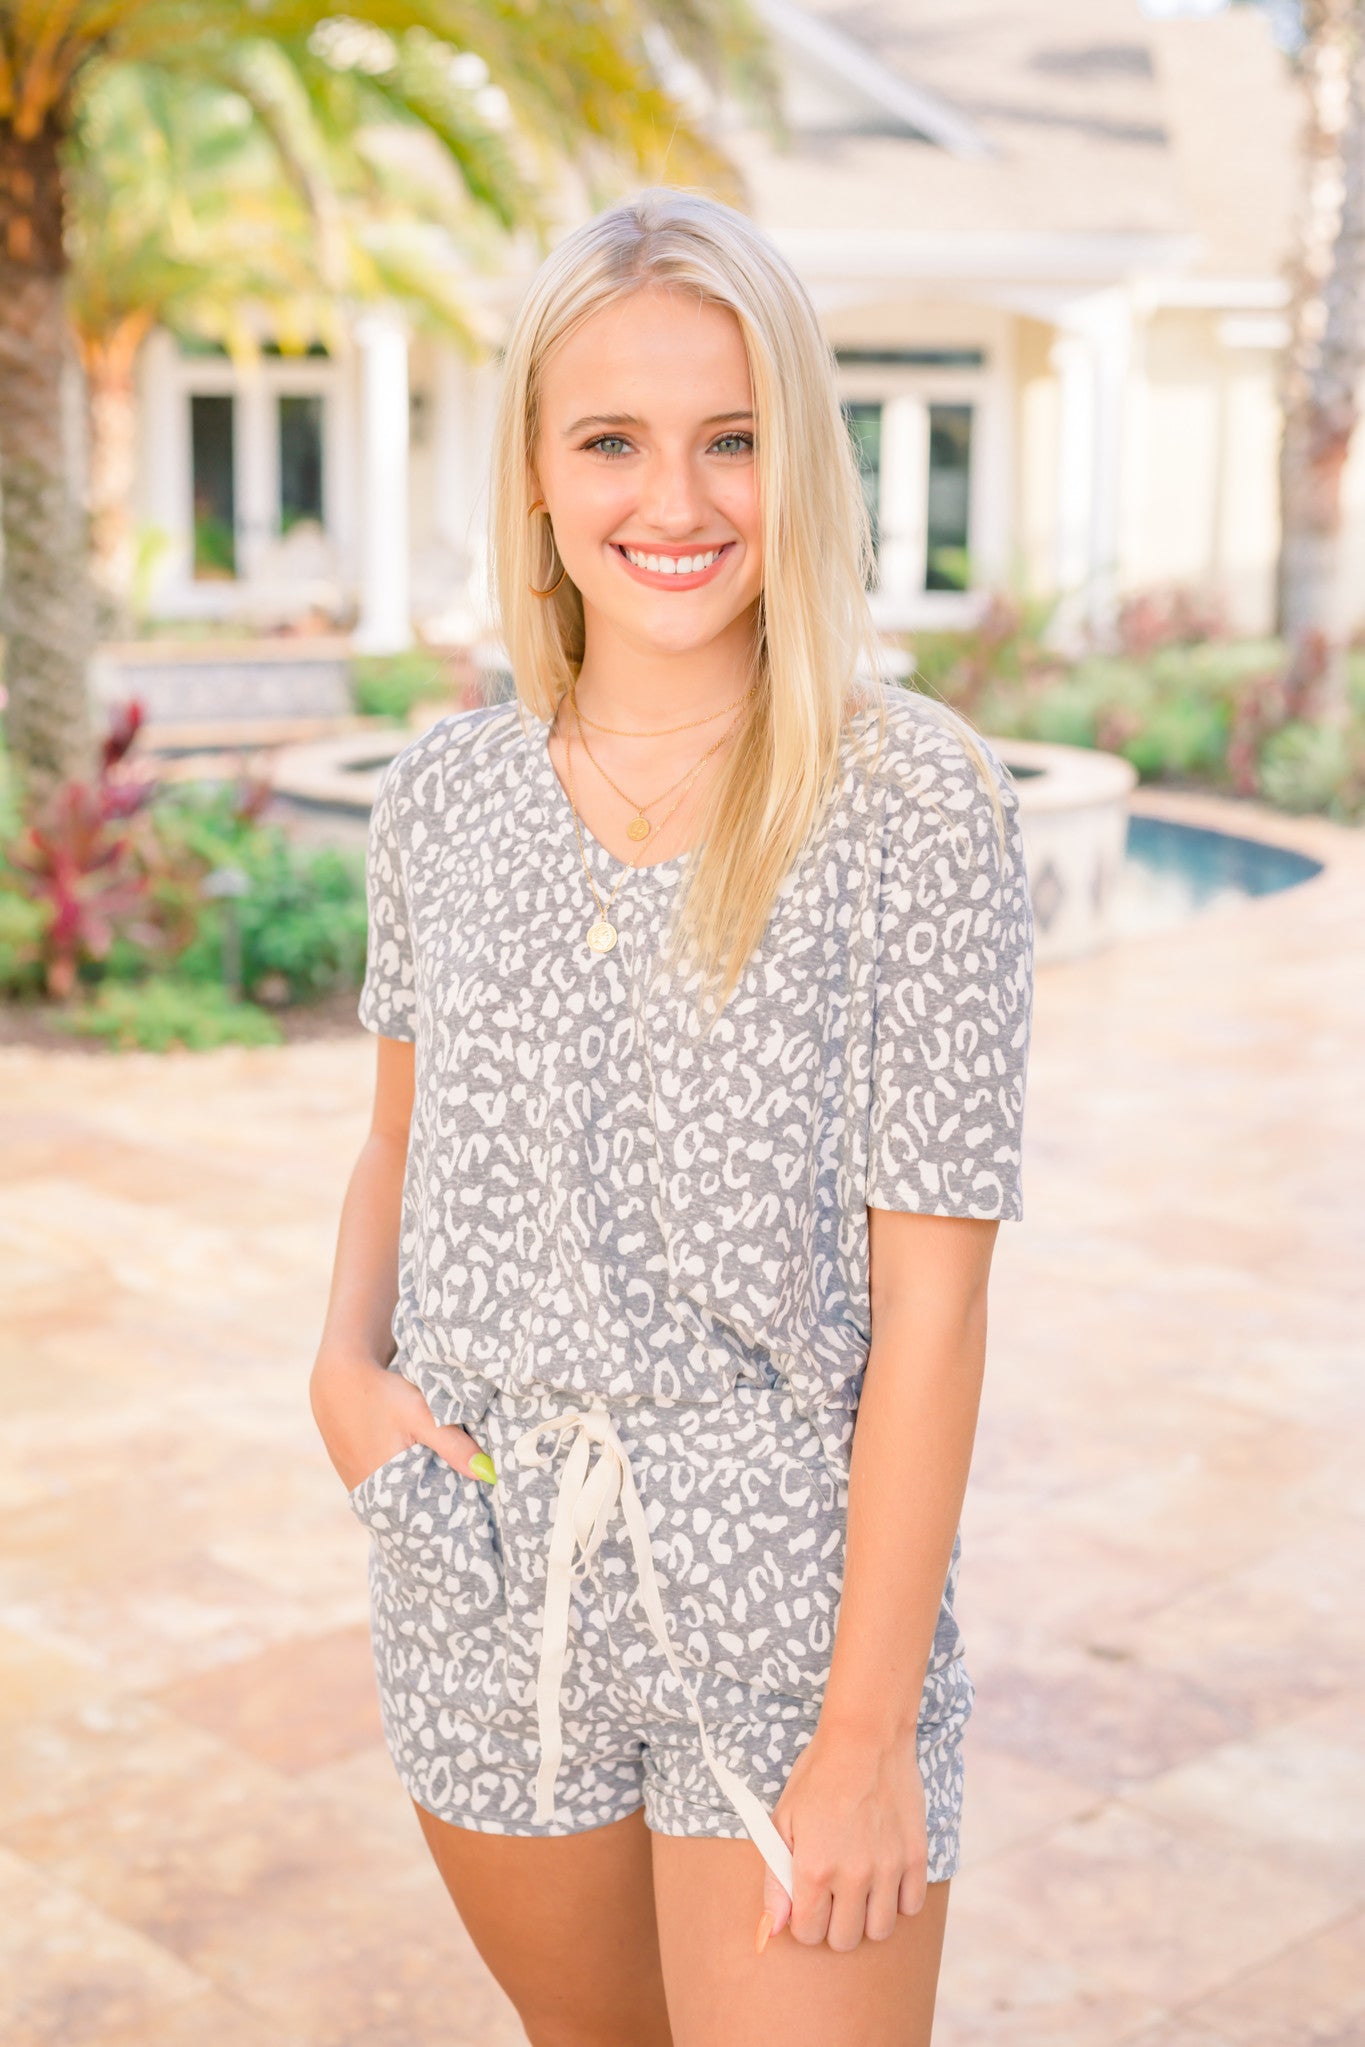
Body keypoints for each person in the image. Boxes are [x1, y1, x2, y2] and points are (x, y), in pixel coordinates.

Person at [310, 186, 1034, 2047]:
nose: (677, 501)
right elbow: (396, 1135)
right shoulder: (445, 797)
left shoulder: (910, 804)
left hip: (791, 1611)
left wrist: (864, 1732)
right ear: (539, 481)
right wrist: (341, 1378)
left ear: (801, 461)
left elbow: (936, 1310)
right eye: (612, 442)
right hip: (480, 1576)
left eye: (732, 440)